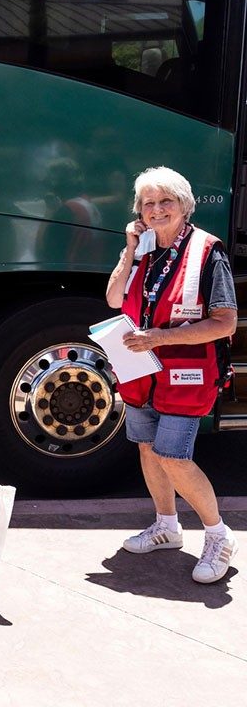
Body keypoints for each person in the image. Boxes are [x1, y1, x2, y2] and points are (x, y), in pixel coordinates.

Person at [106, 166, 238, 584]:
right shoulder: (144, 249)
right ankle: (167, 526)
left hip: (187, 375)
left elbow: (226, 323)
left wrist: (159, 338)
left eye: (166, 201)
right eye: (148, 203)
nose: (157, 210)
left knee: (173, 457)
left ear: (184, 205)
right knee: (148, 449)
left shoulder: (208, 251)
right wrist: (129, 250)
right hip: (141, 372)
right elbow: (113, 298)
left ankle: (219, 535)